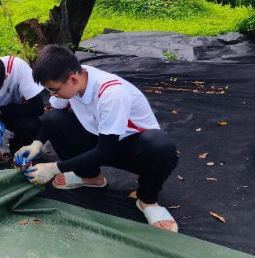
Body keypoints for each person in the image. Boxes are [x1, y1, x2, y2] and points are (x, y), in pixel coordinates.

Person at [19, 45, 179, 232]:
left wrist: (54, 168)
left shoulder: (112, 94)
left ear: (73, 79)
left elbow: (106, 150)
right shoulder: (74, 82)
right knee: (53, 119)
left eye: (53, 90)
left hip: (132, 146)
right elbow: (53, 114)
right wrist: (36, 144)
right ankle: (90, 177)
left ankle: (147, 201)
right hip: (99, 136)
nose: (52, 95)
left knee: (162, 147)